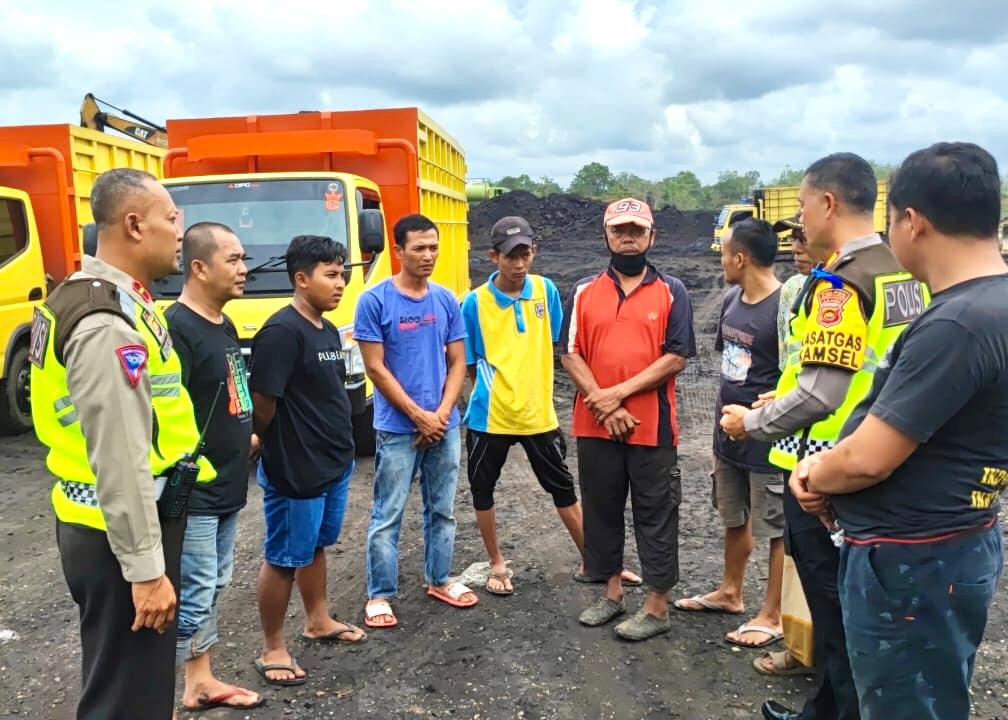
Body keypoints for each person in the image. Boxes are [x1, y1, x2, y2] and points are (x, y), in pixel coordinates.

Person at [794, 142, 1006, 720]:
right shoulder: (991, 304)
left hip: (912, 563)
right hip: (956, 541)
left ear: (912, 221)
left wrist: (815, 471)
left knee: (905, 704)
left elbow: (870, 458)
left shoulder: (959, 323)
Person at [719, 153, 928, 720]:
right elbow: (865, 366)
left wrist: (751, 423)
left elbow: (821, 394)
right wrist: (781, 392)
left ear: (828, 204)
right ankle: (826, 709)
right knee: (858, 607)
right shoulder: (901, 269)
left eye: (806, 206)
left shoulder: (840, 281)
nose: (802, 221)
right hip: (884, 450)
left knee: (835, 609)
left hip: (824, 466)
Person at [29, 168, 214, 719]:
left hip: (107, 524)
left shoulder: (95, 297)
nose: (180, 231)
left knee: (128, 687)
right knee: (127, 702)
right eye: (170, 218)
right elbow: (119, 456)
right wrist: (145, 570)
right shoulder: (105, 321)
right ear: (134, 225)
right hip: (122, 533)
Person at [460, 216, 641, 596]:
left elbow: (563, 348)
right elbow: (470, 364)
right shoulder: (474, 303)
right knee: (483, 490)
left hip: (539, 415)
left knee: (562, 488)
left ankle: (595, 561)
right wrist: (491, 396)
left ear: (534, 252)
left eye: (525, 254)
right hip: (490, 417)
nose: (519, 263)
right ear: (494, 256)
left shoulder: (545, 291)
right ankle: (496, 562)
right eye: (511, 256)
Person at [560, 197, 696, 641]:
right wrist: (603, 402)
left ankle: (657, 607)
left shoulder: (672, 290)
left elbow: (675, 357)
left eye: (637, 229)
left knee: (656, 513)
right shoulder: (583, 290)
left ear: (652, 236)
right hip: (595, 424)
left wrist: (616, 395)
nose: (629, 237)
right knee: (602, 510)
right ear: (606, 235)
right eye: (620, 229)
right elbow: (569, 353)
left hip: (651, 428)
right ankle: (613, 593)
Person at [249, 235, 364, 687]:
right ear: (301, 279)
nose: (340, 284)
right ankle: (272, 646)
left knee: (314, 545)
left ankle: (318, 619)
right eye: (331, 275)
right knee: (283, 557)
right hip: (296, 469)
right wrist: (276, 444)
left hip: (332, 464)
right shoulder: (281, 332)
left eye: (343, 274)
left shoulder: (326, 328)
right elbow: (264, 403)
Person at [355, 213, 475, 629]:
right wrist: (417, 415)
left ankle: (440, 579)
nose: (428, 256)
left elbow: (458, 360)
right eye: (419, 248)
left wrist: (441, 413)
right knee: (388, 512)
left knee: (442, 509)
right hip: (397, 427)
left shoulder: (445, 299)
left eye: (433, 247)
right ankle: (379, 594)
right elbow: (376, 369)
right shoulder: (374, 301)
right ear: (399, 250)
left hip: (443, 424)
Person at [674, 218, 786, 651]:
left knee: (776, 527)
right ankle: (730, 592)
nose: (720, 260)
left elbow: (797, 377)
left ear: (740, 258)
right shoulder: (730, 300)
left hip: (767, 440)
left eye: (723, 253)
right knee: (733, 516)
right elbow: (732, 367)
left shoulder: (784, 308)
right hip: (728, 436)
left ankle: (773, 613)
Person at [165, 222, 262, 711]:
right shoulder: (175, 329)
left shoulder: (221, 324)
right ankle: (154, 689)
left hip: (229, 481)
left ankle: (199, 680)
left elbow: (229, 387)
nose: (244, 269)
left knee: (215, 583)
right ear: (199, 268)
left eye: (243, 258)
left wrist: (246, 430)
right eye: (234, 260)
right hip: (195, 489)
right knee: (194, 591)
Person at [775, 216, 813, 370]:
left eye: (803, 239)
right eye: (793, 238)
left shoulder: (847, 286)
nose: (795, 248)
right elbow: (784, 351)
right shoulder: (791, 287)